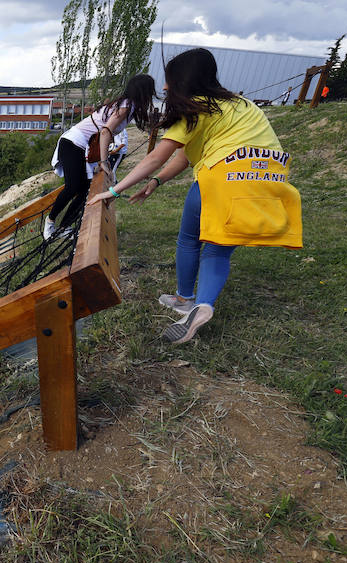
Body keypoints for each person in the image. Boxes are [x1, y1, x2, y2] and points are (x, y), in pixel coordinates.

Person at [87, 48, 302, 344]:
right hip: (268, 180)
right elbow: (185, 157)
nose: (164, 87)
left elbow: (155, 158)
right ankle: (204, 304)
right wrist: (157, 183)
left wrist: (113, 190)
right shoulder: (241, 105)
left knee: (189, 239)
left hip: (222, 179)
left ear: (183, 81)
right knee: (218, 247)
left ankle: (184, 299)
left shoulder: (193, 108)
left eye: (169, 80)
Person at [45, 74, 156, 240]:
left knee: (85, 189)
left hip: (82, 145)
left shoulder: (128, 106)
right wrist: (103, 161)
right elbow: (105, 132)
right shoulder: (126, 106)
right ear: (144, 92)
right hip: (73, 143)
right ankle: (50, 223)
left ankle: (64, 227)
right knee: (73, 186)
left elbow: (105, 133)